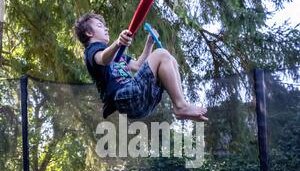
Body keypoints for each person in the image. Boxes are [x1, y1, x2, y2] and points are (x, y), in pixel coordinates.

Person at [74, 13, 208, 121]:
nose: (106, 28)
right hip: (123, 97)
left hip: (141, 103)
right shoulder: (92, 51)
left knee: (170, 59)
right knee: (161, 54)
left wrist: (149, 43)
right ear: (89, 33)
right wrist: (117, 43)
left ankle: (180, 104)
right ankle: (180, 106)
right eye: (99, 26)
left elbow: (139, 65)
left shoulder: (118, 55)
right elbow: (103, 59)